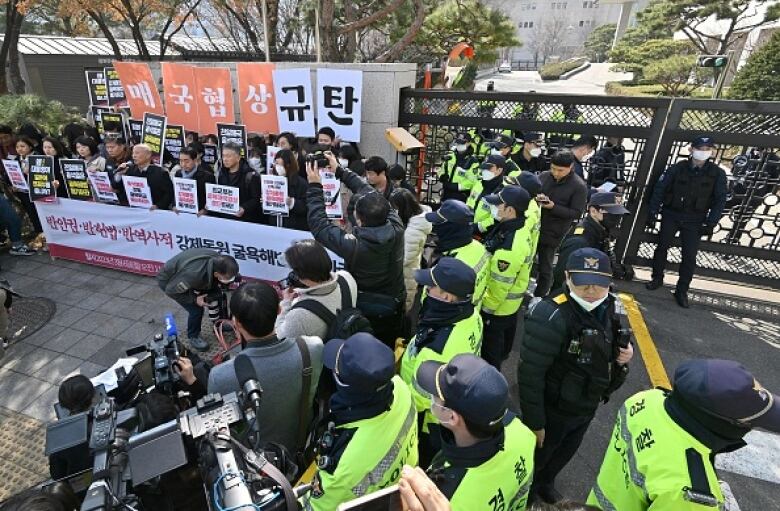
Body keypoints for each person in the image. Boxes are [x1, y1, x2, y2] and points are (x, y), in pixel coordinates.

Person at [518, 248, 634, 505]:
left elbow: (612, 340)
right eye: (584, 284)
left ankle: (546, 483)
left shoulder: (609, 305)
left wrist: (624, 357)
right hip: (554, 408)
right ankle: (524, 495)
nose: (591, 292)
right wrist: (535, 422)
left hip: (586, 402)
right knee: (538, 458)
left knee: (564, 453)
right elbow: (530, 374)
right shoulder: (550, 315)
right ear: (568, 277)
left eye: (599, 285)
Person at [587, 358, 780, 510]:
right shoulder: (691, 492)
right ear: (722, 425)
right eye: (749, 423)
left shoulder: (646, 400)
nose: (750, 428)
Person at [305, 332, 418, 511]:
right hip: (403, 492)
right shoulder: (402, 389)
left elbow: (314, 507)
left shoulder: (343, 466)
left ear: (344, 386)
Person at [208, 281, 323, 454]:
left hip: (255, 459)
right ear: (279, 311)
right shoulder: (312, 348)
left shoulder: (221, 375)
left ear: (236, 323)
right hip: (301, 443)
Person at [416, 354, 537, 511]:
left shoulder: (445, 498)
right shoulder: (522, 432)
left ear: (452, 417)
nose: (433, 398)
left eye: (436, 395)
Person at [306, 160, 406, 347]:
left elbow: (319, 225)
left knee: (364, 348)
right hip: (394, 300)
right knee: (387, 347)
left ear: (359, 220)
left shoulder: (355, 245)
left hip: (365, 304)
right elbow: (371, 193)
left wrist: (314, 186)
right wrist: (340, 171)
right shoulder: (396, 225)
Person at [399, 258, 482, 466]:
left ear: (446, 296)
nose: (425, 289)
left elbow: (419, 398)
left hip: (428, 423)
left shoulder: (439, 347)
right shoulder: (470, 314)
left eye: (431, 286)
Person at [646, 136, 727, 308]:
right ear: (691, 149)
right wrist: (653, 212)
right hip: (672, 214)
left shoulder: (717, 174)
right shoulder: (677, 168)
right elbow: (660, 189)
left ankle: (682, 290)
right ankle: (657, 278)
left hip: (695, 220)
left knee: (689, 256)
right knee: (662, 247)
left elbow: (720, 200)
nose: (703, 152)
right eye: (700, 148)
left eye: (707, 149)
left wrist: (711, 223)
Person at [479, 185, 533, 369]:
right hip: (510, 307)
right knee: (502, 345)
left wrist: (485, 310)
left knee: (490, 354)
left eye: (499, 205)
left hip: (497, 310)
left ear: (510, 210)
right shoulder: (518, 227)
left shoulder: (509, 247)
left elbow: (499, 285)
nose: (495, 208)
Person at [156, 249, 239, 351]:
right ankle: (193, 336)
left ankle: (218, 324)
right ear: (217, 274)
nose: (230, 279)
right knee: (196, 310)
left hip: (189, 275)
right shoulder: (194, 275)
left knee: (217, 295)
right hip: (170, 282)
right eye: (228, 277)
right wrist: (195, 299)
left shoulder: (218, 261)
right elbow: (170, 290)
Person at [274, 239, 358, 340]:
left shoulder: (299, 316)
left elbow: (279, 337)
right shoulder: (347, 277)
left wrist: (286, 303)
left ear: (299, 275)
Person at [550, 192, 630, 294]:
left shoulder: (600, 232)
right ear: (593, 211)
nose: (616, 217)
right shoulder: (580, 241)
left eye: (617, 213)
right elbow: (562, 277)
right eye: (610, 212)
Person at [534, 150, 588, 298]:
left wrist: (553, 207)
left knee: (545, 267)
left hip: (554, 231)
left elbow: (576, 213)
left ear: (571, 167)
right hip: (533, 228)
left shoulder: (579, 186)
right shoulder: (544, 176)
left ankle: (539, 296)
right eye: (553, 168)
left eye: (560, 170)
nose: (556, 173)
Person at [427, 201, 490, 304]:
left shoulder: (450, 268)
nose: (434, 226)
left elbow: (438, 303)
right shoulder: (479, 248)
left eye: (438, 222)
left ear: (449, 229)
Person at [390, 188, 432, 312]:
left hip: (405, 275)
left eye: (395, 208)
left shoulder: (413, 232)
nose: (393, 211)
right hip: (407, 272)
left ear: (403, 208)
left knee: (403, 309)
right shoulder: (414, 220)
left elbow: (404, 259)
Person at [10, 136, 46, 249]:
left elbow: (44, 175)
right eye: (17, 147)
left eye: (22, 146)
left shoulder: (38, 158)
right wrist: (14, 185)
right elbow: (11, 175)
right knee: (32, 214)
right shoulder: (15, 160)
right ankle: (39, 236)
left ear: (30, 147)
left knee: (41, 213)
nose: (19, 149)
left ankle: (46, 235)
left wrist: (30, 172)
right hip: (23, 192)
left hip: (38, 191)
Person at [115, 144, 175, 210]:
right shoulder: (129, 170)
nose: (134, 156)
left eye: (137, 153)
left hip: (153, 212)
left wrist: (158, 206)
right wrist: (119, 174)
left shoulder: (160, 173)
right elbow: (118, 189)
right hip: (132, 209)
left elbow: (169, 194)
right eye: (133, 153)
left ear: (148, 155)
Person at [213, 142, 262, 222]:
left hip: (245, 220)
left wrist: (244, 208)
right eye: (223, 156)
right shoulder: (221, 173)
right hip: (225, 219)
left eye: (228, 156)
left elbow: (256, 199)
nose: (225, 159)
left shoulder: (251, 175)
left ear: (238, 157)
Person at [266, 148, 308, 230]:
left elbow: (307, 206)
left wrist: (292, 202)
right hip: (275, 225)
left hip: (294, 227)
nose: (275, 166)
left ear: (288, 165)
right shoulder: (271, 181)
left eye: (279, 164)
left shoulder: (301, 183)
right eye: (275, 163)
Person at [439, 132, 480, 202]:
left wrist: (456, 186)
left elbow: (472, 181)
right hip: (446, 193)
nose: (459, 145)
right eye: (458, 142)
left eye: (462, 143)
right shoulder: (450, 156)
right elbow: (441, 170)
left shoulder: (473, 162)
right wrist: (441, 176)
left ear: (469, 143)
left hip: (460, 196)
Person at [174, 147, 215, 215]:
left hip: (199, 216)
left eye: (187, 161)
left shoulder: (207, 177)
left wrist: (205, 210)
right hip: (182, 213)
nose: (183, 164)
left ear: (195, 160)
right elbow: (175, 193)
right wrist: (174, 205)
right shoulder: (178, 174)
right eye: (181, 161)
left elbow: (212, 199)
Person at [104, 136, 132, 203]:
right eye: (107, 147)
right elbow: (107, 177)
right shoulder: (109, 160)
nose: (110, 150)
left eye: (112, 147)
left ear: (122, 147)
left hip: (128, 199)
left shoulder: (131, 161)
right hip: (113, 198)